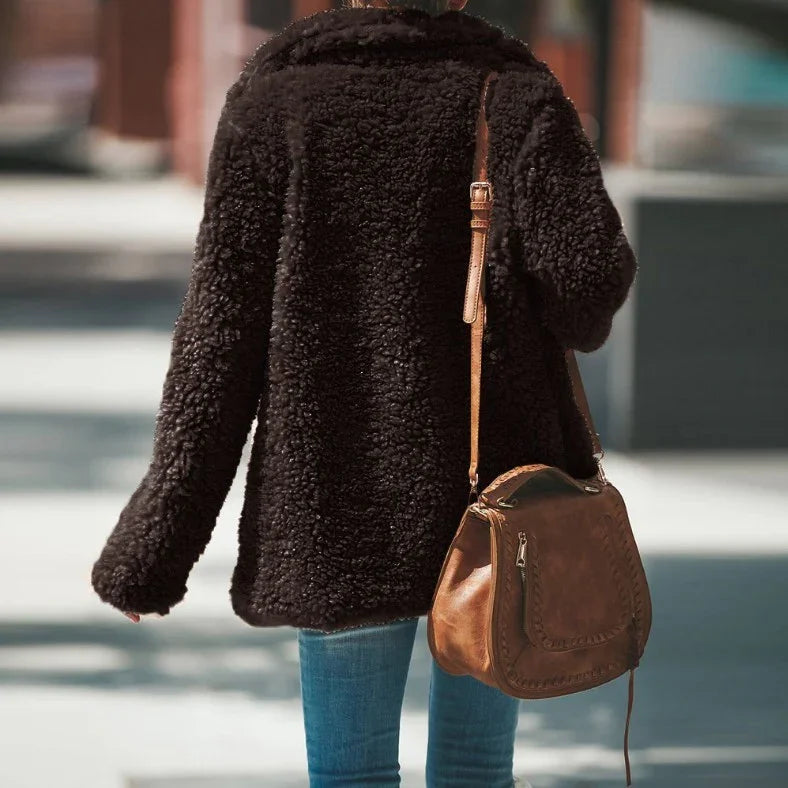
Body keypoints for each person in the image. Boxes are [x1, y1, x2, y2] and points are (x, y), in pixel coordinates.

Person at [91, 0, 637, 785]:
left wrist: (155, 548)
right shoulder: (514, 93)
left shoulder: (277, 101)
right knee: (477, 767)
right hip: (495, 497)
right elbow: (587, 290)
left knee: (350, 775)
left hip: (333, 499)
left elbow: (218, 341)